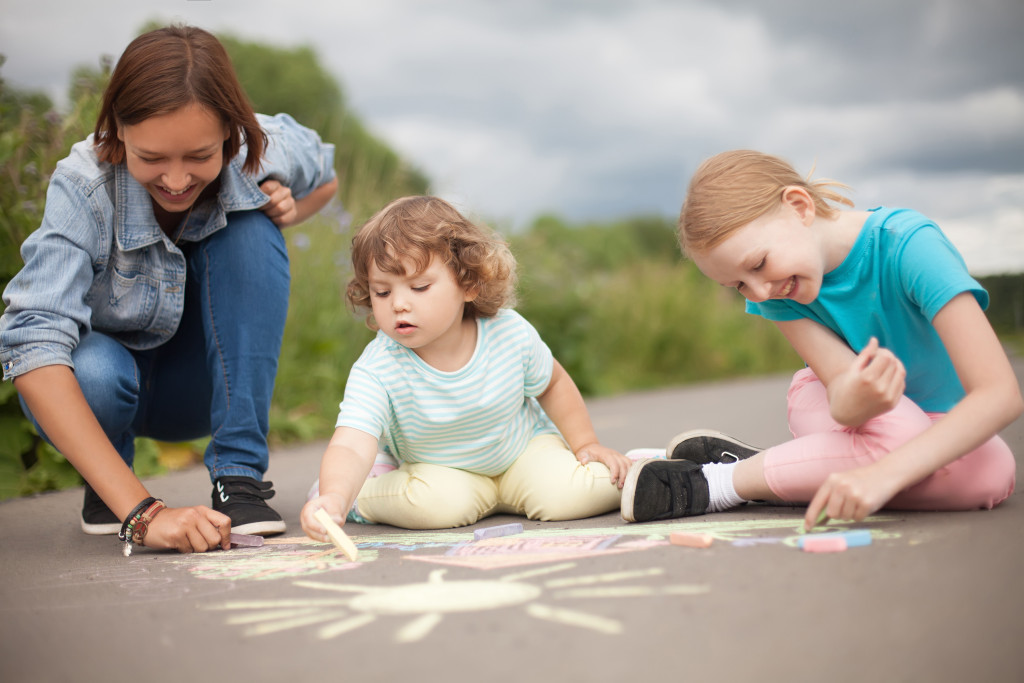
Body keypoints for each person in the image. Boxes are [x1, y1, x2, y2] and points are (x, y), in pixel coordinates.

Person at [0, 25, 338, 554]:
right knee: (89, 367)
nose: (177, 180)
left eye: (199, 156)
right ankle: (109, 486)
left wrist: (293, 208)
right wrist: (144, 514)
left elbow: (327, 175)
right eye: (152, 158)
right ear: (117, 131)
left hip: (198, 386)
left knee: (253, 227)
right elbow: (31, 345)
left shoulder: (258, 148)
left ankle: (239, 478)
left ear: (230, 133)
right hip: (106, 391)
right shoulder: (82, 185)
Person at [621, 150, 1021, 530]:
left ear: (799, 206)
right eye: (739, 285)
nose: (759, 292)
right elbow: (843, 405)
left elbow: (999, 394)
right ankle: (714, 486)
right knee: (903, 434)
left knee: (992, 475)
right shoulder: (781, 292)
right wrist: (858, 398)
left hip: (931, 420)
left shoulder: (909, 247)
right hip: (831, 406)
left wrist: (882, 476)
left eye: (758, 264)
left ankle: (770, 474)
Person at [301, 195, 629, 539]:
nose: (398, 304)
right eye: (381, 292)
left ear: (468, 283)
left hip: (522, 452)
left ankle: (650, 467)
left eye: (419, 287)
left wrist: (585, 443)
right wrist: (335, 494)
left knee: (576, 492)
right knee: (436, 507)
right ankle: (350, 498)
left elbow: (553, 384)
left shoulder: (509, 333)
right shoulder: (379, 367)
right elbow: (352, 442)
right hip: (442, 471)